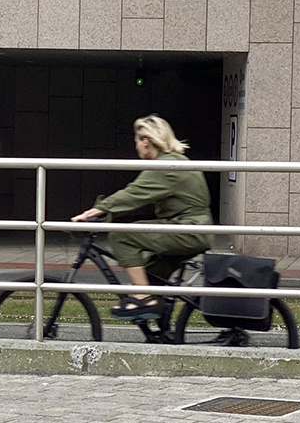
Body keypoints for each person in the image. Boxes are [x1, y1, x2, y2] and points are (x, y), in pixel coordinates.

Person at [71, 115, 213, 320]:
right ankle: (160, 323)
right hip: (191, 229)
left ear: (146, 141)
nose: (137, 146)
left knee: (122, 236)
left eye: (137, 141)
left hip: (189, 230)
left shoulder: (165, 167)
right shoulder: (174, 161)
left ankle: (143, 298)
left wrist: (96, 210)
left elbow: (134, 194)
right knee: (151, 275)